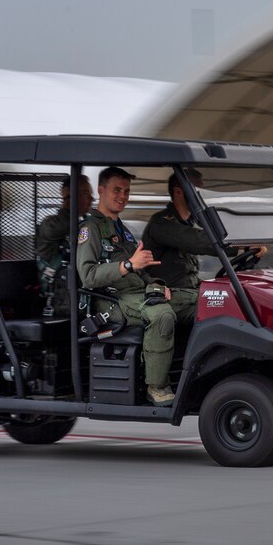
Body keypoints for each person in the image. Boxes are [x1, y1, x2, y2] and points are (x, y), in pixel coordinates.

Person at [75, 166, 193, 406]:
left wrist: (157, 285)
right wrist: (128, 265)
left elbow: (139, 272)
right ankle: (156, 387)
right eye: (117, 190)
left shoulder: (122, 230)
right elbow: (87, 275)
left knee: (203, 300)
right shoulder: (91, 229)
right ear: (101, 190)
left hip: (138, 293)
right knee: (161, 315)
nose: (122, 196)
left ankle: (192, 374)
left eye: (127, 191)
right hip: (111, 301)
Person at [143, 170, 267, 314]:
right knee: (224, 309)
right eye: (196, 192)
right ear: (178, 192)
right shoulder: (162, 224)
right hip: (169, 295)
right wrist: (241, 245)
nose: (201, 198)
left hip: (189, 292)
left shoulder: (189, 223)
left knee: (240, 295)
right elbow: (197, 240)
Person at [35, 175, 93, 317]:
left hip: (80, 295)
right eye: (86, 193)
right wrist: (70, 202)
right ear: (68, 194)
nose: (91, 199)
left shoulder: (84, 223)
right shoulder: (51, 225)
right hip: (60, 301)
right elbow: (63, 225)